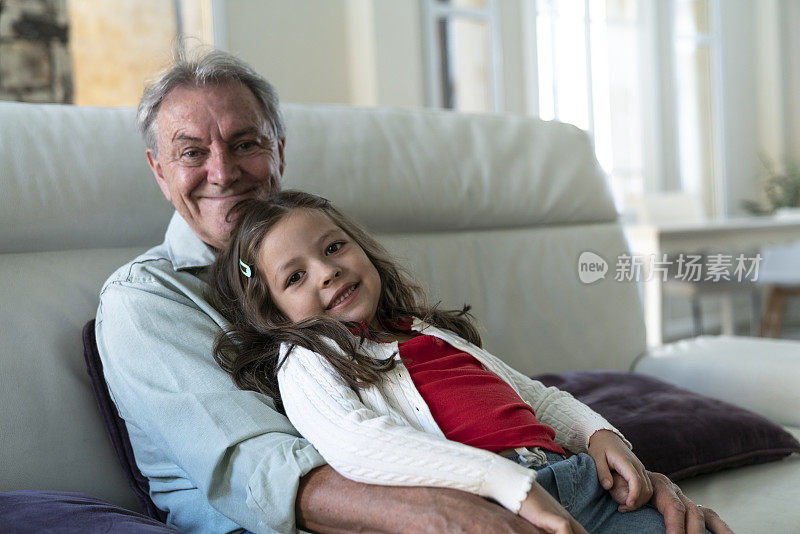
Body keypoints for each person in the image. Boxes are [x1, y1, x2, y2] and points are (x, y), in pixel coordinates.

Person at [96, 48, 731, 533]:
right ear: (158, 170)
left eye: (245, 143)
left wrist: (613, 464)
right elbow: (262, 472)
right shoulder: (143, 304)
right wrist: (450, 512)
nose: (223, 171)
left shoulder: (359, 297)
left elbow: (494, 396)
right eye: (190, 153)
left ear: (279, 151)